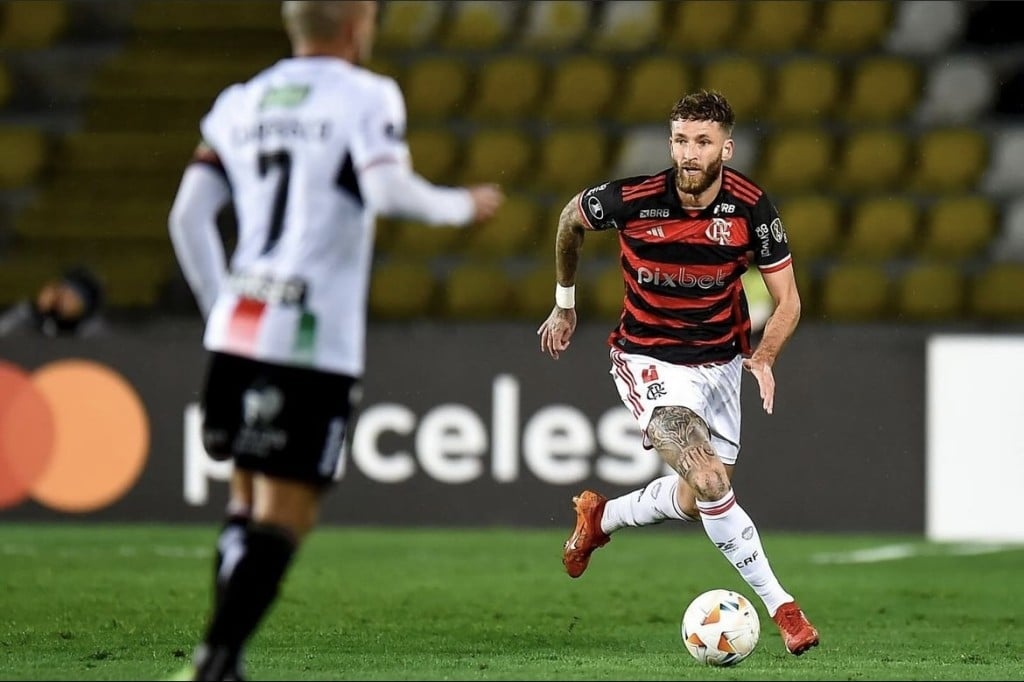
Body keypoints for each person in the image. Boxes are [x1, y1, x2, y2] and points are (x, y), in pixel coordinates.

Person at [167, 2, 504, 679]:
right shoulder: (365, 94)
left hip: (237, 327)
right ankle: (216, 657)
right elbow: (385, 189)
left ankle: (221, 662)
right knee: (288, 513)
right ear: (356, 25)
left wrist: (222, 305)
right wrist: (460, 205)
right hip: (310, 336)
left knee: (245, 497)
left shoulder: (240, 100)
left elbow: (188, 217)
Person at [536, 90, 819, 657]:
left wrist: (762, 358)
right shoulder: (634, 199)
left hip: (721, 363)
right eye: (681, 140)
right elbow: (569, 219)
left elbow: (788, 301)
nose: (689, 153)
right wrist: (565, 301)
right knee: (713, 480)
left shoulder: (751, 208)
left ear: (726, 148)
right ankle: (784, 608)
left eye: (703, 142)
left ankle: (602, 518)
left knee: (697, 500)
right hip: (648, 359)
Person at [0, 265, 104, 337]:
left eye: (72, 297)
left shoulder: (93, 330)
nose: (63, 300)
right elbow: (3, 332)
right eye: (61, 293)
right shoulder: (36, 319)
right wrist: (36, 311)